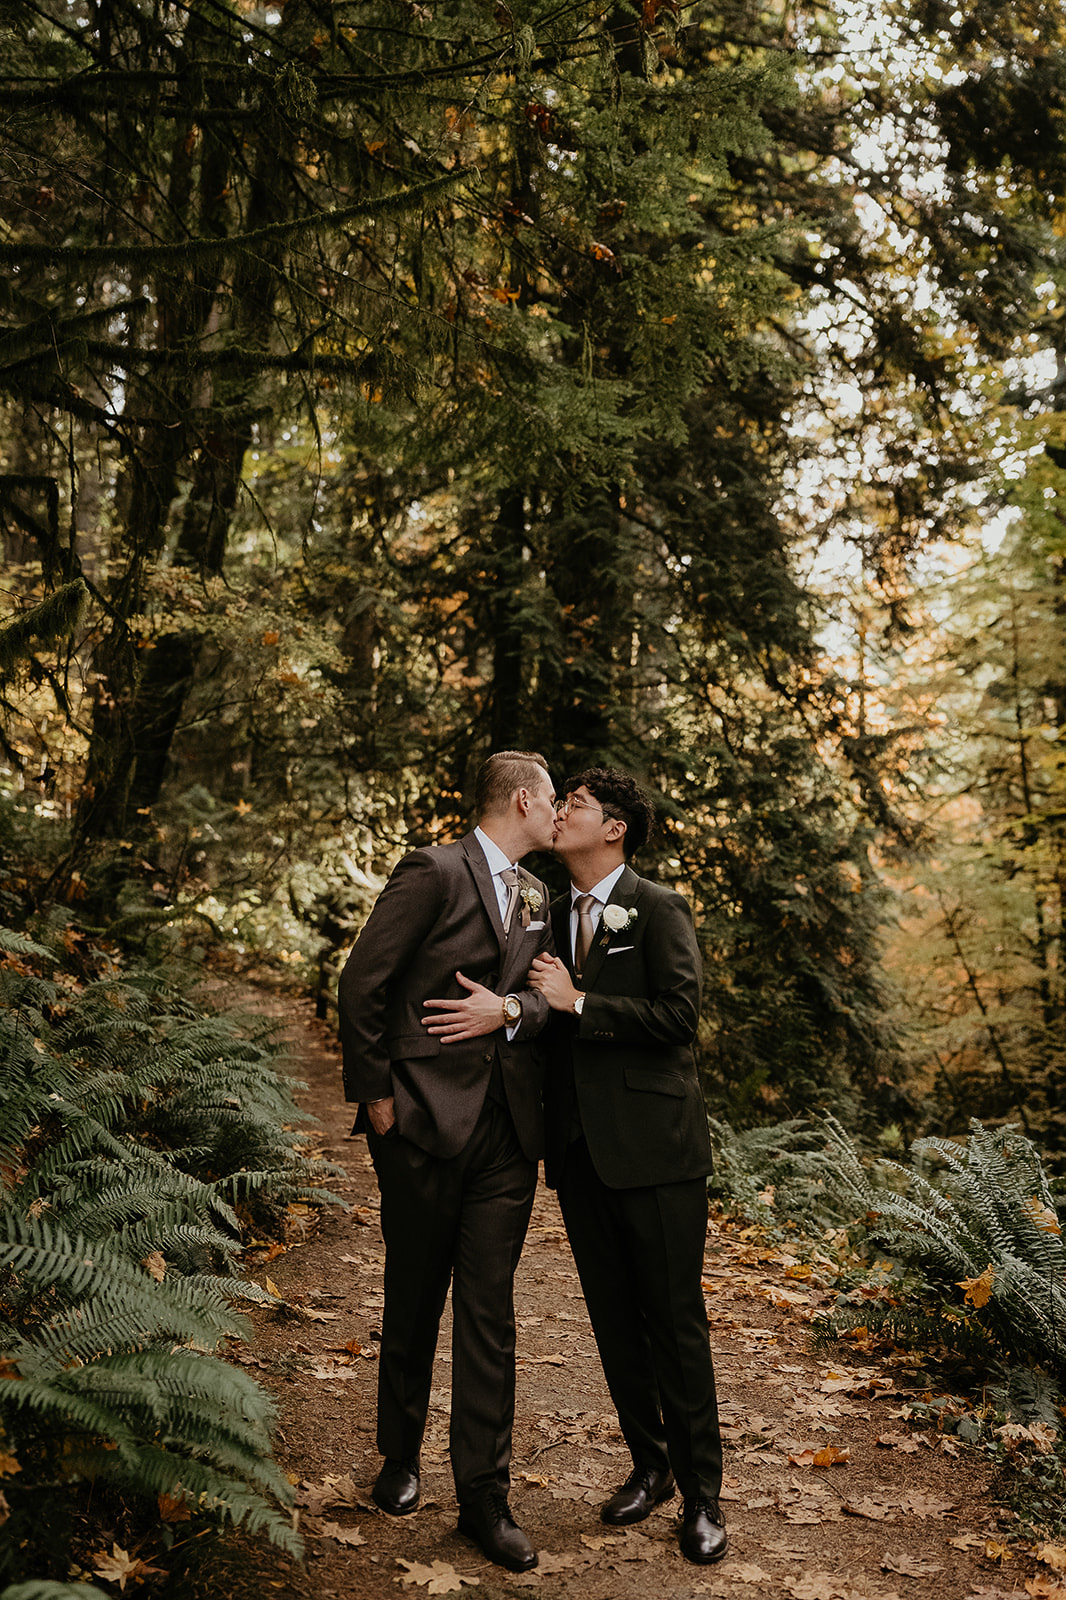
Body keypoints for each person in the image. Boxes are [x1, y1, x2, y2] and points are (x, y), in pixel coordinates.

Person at [338, 751, 557, 1574]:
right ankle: (399, 1457)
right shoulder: (432, 871)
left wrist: (514, 1009)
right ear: (524, 800)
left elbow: (546, 1000)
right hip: (423, 1122)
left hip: (507, 1135)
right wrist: (377, 1096)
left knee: (490, 1313)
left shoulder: (539, 893)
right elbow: (363, 983)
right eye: (552, 798)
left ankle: (484, 1497)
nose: (558, 813)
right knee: (416, 1290)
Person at [528, 767, 727, 1566]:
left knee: (674, 1326)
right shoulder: (545, 908)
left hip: (657, 1155)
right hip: (579, 1156)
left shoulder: (659, 906)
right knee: (613, 1324)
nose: (562, 812)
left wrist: (582, 1004)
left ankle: (704, 1495)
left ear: (613, 828)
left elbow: (681, 1016)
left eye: (574, 805)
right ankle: (650, 1468)